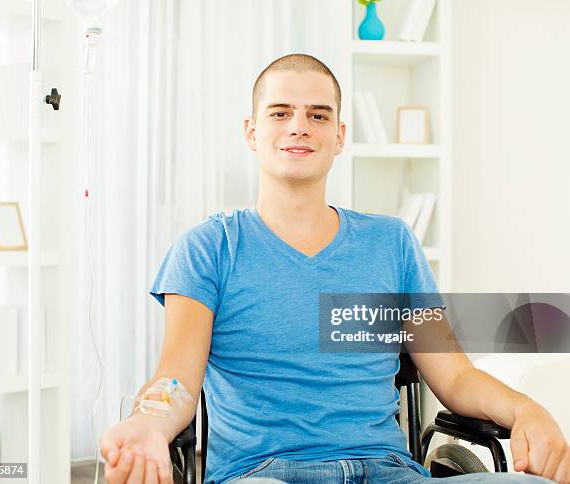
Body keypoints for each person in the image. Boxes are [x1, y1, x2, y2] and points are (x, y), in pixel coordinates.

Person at [99, 54, 570, 484]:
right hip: (265, 472)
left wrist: (527, 410)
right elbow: (175, 379)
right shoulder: (209, 248)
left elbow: (455, 377)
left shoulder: (392, 243)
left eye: (318, 115)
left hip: (388, 471)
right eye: (280, 113)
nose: (299, 127)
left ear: (339, 135)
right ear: (251, 132)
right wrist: (147, 423)